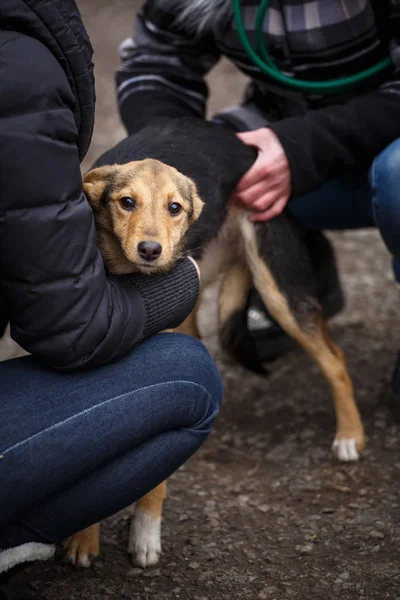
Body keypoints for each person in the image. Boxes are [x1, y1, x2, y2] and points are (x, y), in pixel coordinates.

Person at [0, 1, 223, 598]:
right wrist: (185, 282)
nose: (151, 234)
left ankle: (138, 503)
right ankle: (37, 521)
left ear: (189, 215)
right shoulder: (23, 66)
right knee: (190, 376)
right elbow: (62, 336)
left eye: (171, 213)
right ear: (97, 196)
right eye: (128, 205)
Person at [115, 0, 400, 417]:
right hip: (285, 130)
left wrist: (305, 148)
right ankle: (296, 263)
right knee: (222, 159)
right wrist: (172, 159)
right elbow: (154, 61)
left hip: (381, 136)